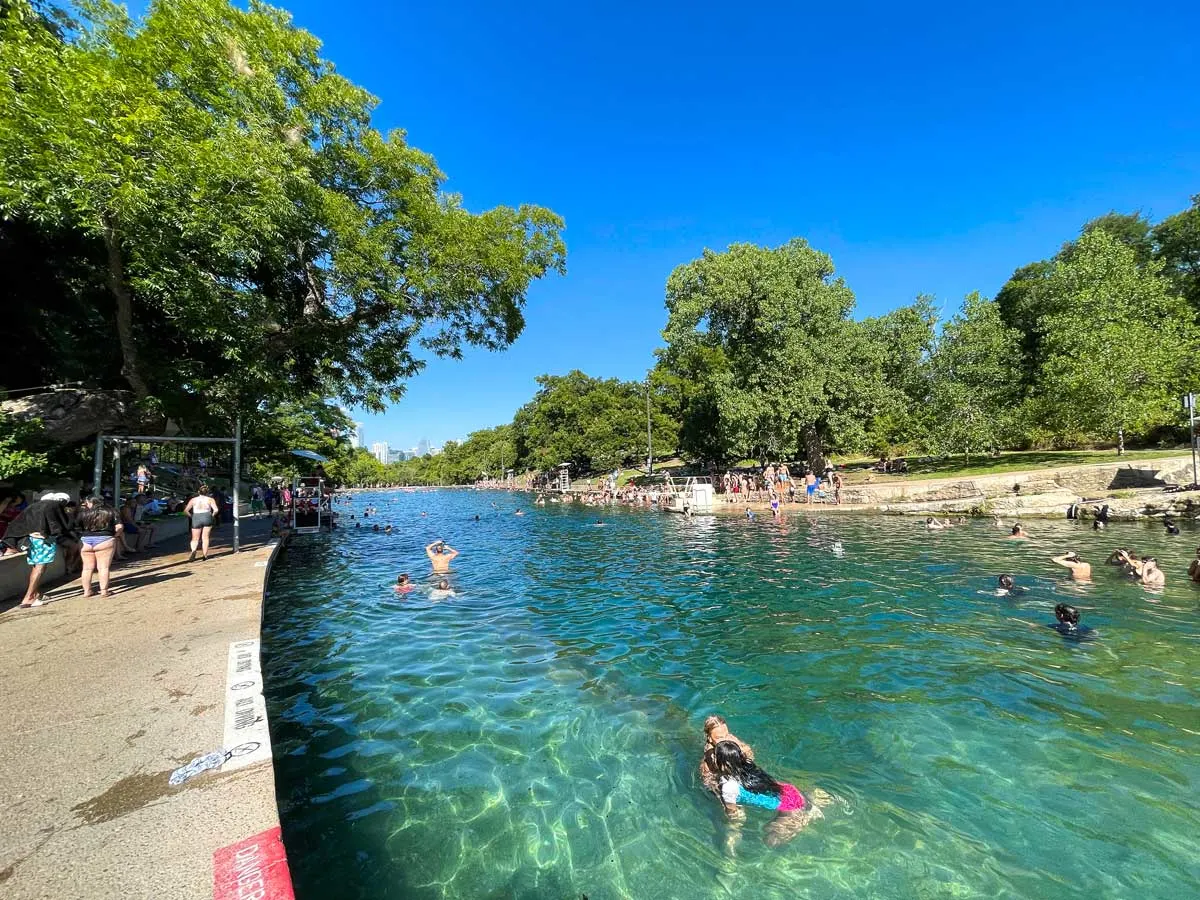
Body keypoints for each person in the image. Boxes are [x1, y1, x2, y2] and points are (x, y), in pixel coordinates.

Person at [709, 740, 831, 847]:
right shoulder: (748, 764)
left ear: (725, 764)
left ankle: (808, 815)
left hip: (790, 807)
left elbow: (733, 815)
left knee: (770, 842)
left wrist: (732, 830)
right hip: (790, 790)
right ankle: (811, 802)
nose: (713, 759)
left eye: (715, 757)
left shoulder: (728, 787)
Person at [3, 492, 76, 608]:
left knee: (36, 567)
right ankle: (29, 598)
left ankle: (35, 593)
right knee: (40, 568)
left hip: (32, 539)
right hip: (44, 541)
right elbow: (61, 525)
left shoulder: (35, 506)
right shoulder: (54, 506)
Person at [698, 715, 754, 798]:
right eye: (719, 738)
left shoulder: (730, 739)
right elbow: (709, 783)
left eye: (726, 735)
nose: (725, 740)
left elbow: (749, 753)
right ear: (709, 738)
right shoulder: (709, 759)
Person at [77, 496, 122, 598]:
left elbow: (76, 527)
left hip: (86, 541)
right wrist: (115, 535)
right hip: (105, 539)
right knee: (103, 567)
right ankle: (104, 591)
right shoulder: (111, 511)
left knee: (87, 568)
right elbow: (119, 527)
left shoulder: (84, 513)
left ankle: (87, 591)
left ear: (90, 502)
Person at [185, 485, 220, 561]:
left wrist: (191, 517)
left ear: (198, 492)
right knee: (205, 538)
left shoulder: (193, 500)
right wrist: (212, 515)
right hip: (207, 516)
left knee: (195, 538)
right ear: (207, 492)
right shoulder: (210, 499)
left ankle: (194, 550)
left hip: (196, 516)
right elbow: (216, 510)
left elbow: (186, 510)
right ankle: (205, 555)